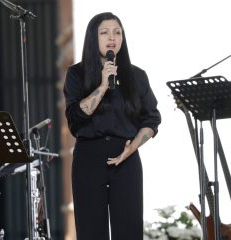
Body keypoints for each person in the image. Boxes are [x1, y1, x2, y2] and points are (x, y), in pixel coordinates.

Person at [63, 12, 161, 240]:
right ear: (92, 37)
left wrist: (132, 147)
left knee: (129, 230)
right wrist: (103, 85)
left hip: (126, 158)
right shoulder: (76, 74)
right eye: (105, 32)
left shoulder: (137, 76)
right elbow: (75, 118)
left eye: (117, 32)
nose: (112, 37)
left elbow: (151, 119)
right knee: (91, 230)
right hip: (89, 157)